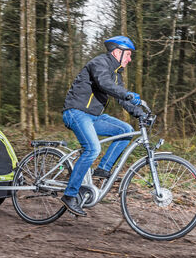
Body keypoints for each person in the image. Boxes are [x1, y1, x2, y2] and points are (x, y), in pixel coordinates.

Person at [60, 36, 144, 216]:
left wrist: (140, 112)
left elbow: (121, 97)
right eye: (128, 55)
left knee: (126, 131)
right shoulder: (99, 63)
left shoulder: (116, 73)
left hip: (93, 116)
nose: (130, 59)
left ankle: (103, 169)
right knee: (92, 149)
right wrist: (128, 94)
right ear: (117, 52)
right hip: (75, 112)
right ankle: (70, 195)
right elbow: (104, 84)